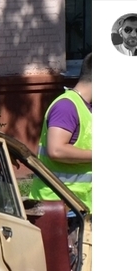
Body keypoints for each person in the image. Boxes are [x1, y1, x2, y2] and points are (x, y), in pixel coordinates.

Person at [29, 54, 92, 211]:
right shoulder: (67, 106)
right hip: (58, 206)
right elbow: (56, 150)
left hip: (76, 205)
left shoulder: (86, 108)